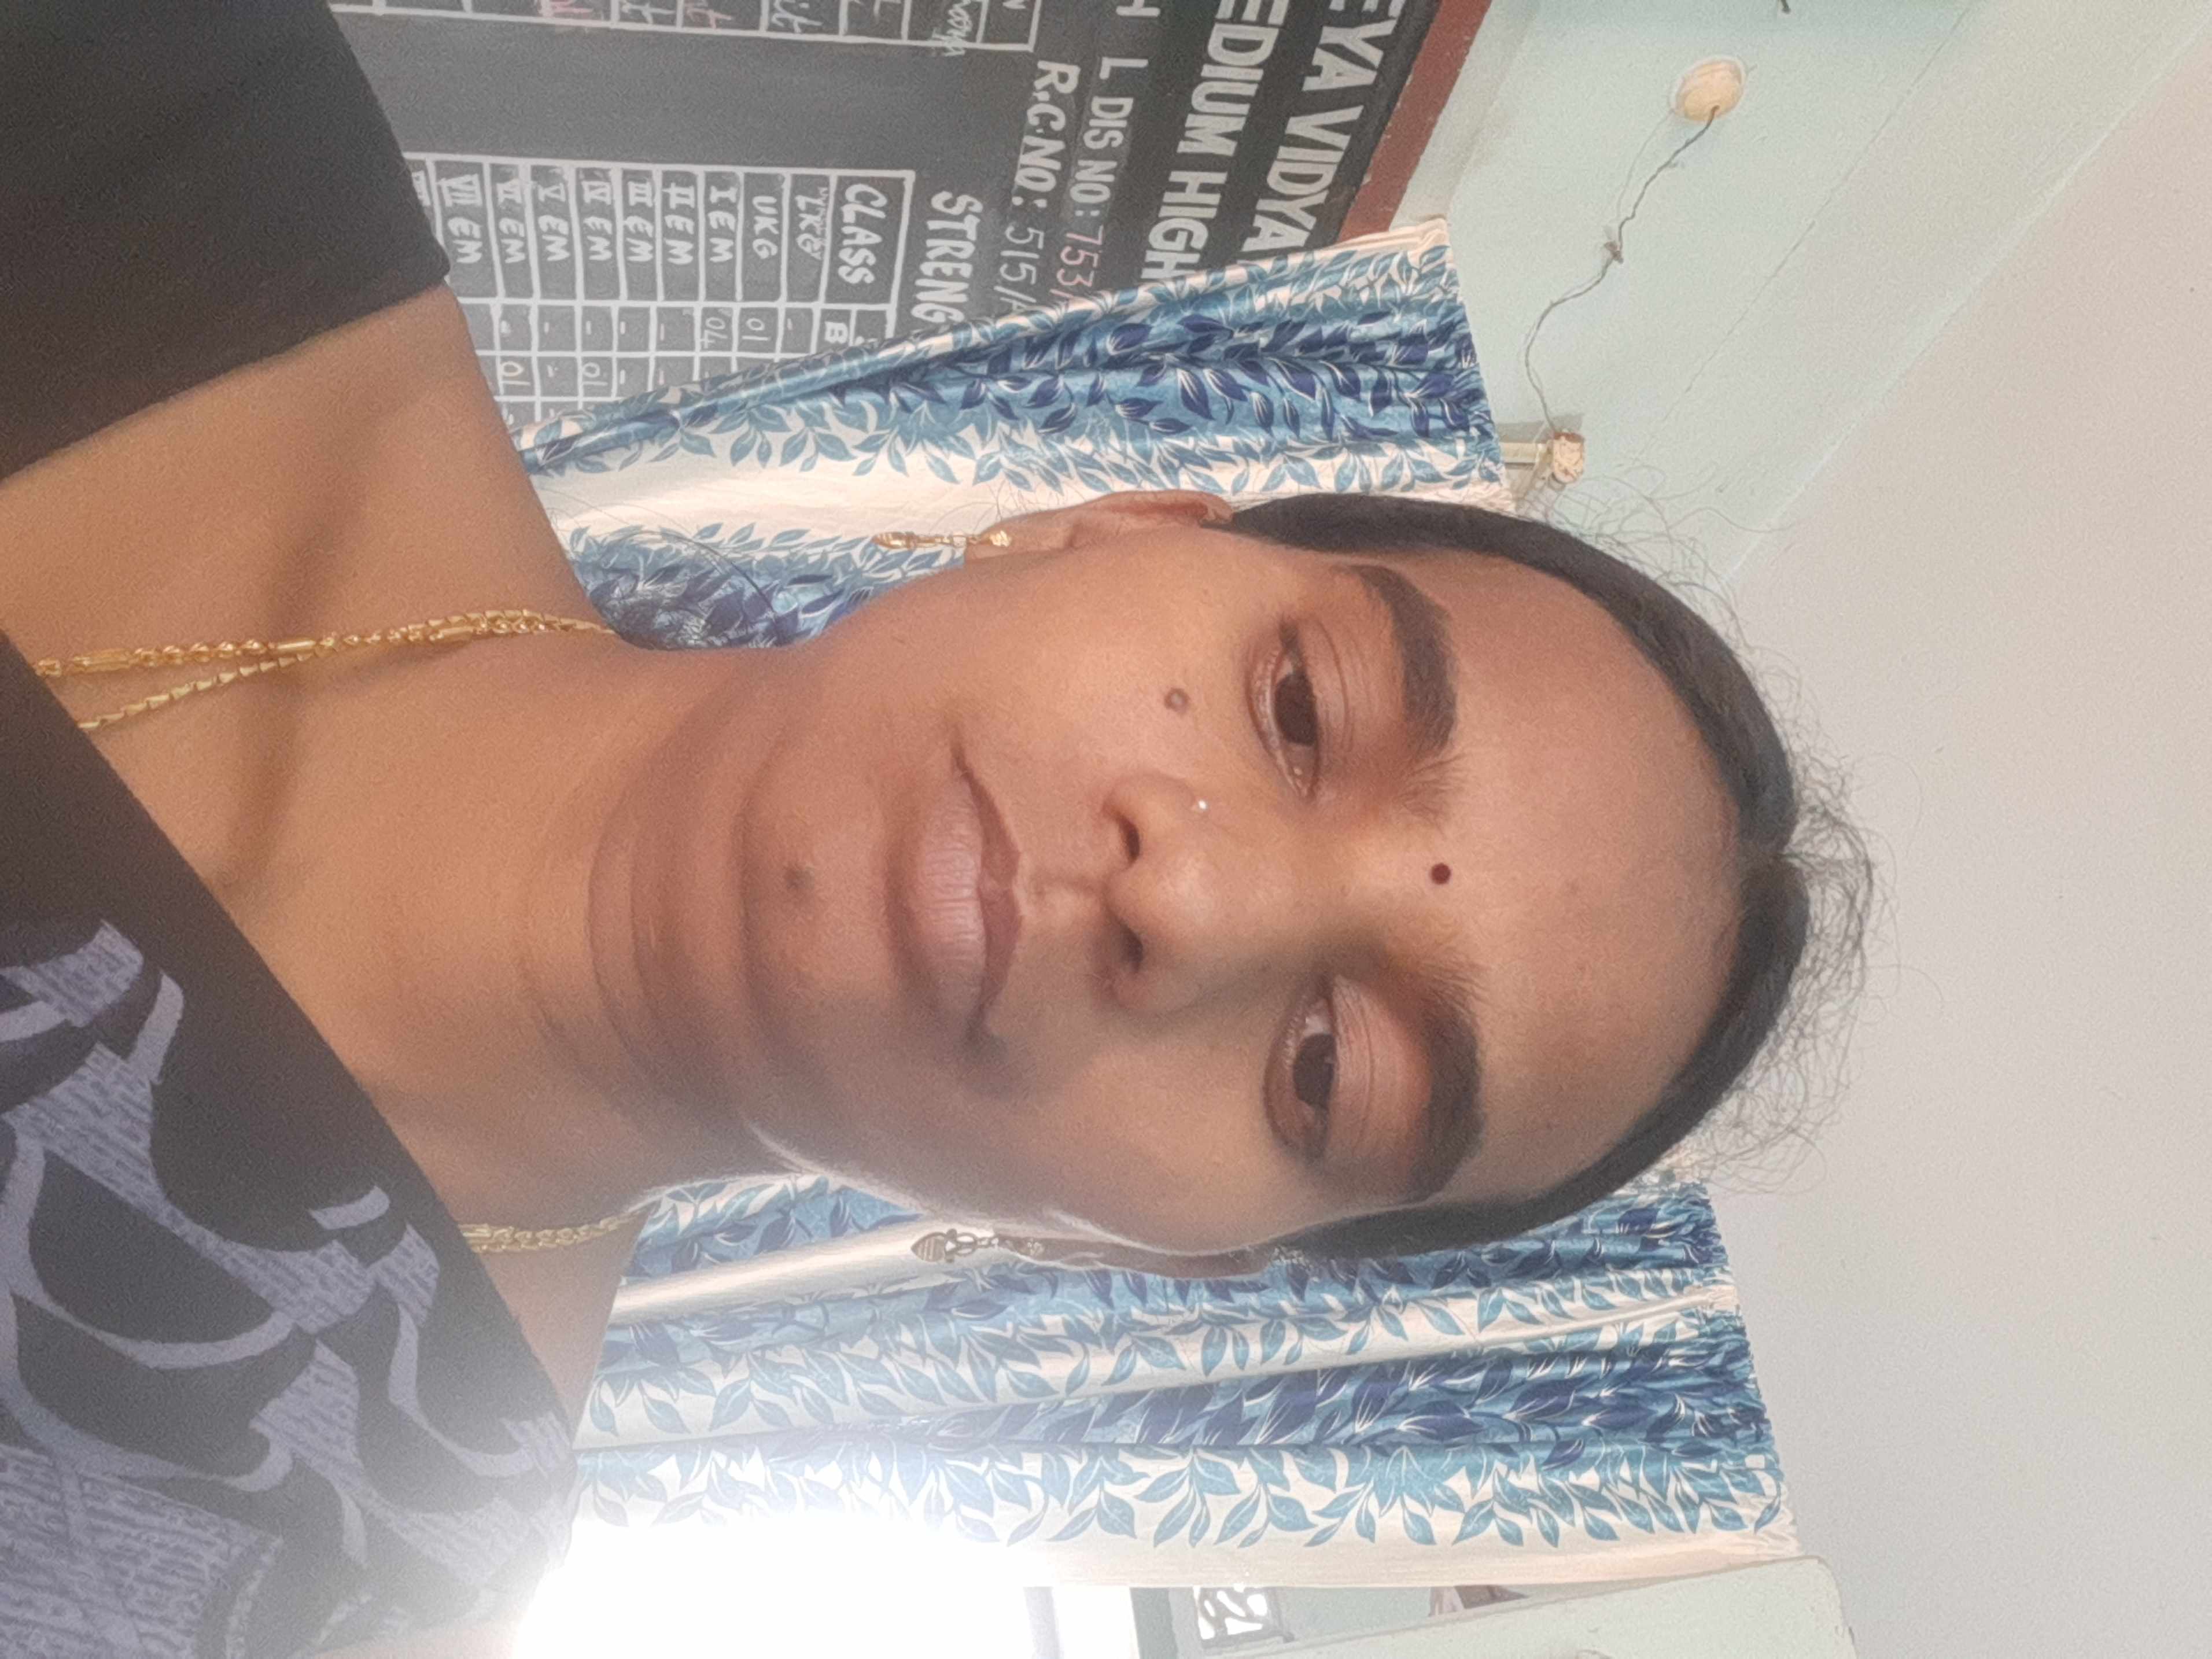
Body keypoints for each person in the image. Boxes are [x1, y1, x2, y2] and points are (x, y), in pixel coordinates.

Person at [0, 2, 1835, 1655]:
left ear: (1149, 1259)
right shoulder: (160, 101)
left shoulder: (327, 1578)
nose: (1193, 899)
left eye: (1326, 1067)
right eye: (1301, 705)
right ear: (1106, 529)